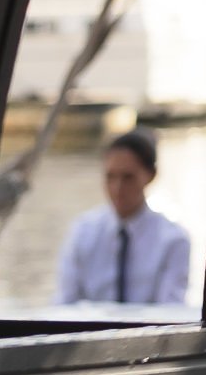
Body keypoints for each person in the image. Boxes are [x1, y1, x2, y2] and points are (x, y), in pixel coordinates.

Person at [52, 127, 195, 308]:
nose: (117, 188)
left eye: (128, 177)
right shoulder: (82, 231)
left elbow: (170, 310)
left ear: (151, 176)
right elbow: (65, 303)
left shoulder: (173, 240)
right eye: (110, 177)